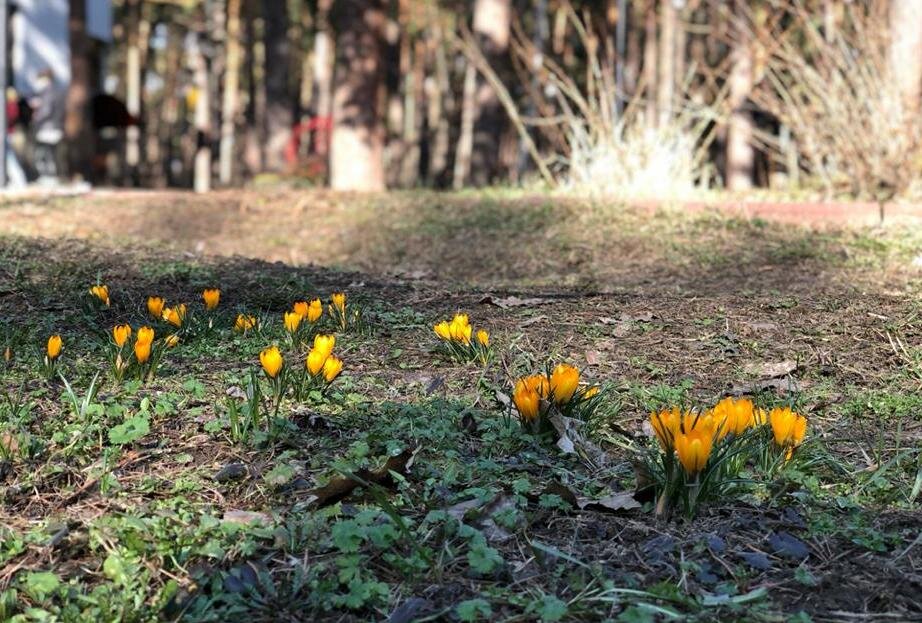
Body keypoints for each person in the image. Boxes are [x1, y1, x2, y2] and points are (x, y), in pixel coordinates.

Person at [29, 69, 64, 184]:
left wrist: (35, 118)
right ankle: (51, 176)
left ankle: (49, 177)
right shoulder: (56, 91)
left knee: (46, 153)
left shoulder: (48, 92)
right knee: (51, 153)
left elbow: (46, 111)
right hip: (55, 127)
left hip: (48, 128)